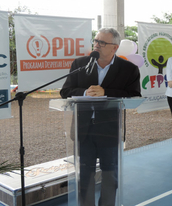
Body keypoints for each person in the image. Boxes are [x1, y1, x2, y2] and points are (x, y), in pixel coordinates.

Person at [60, 27, 141, 206]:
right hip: (83, 129)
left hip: (110, 130)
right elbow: (65, 91)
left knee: (110, 174)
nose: (96, 45)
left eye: (102, 42)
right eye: (95, 41)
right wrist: (84, 92)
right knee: (85, 174)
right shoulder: (80, 64)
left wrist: (107, 92)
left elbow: (134, 96)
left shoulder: (129, 69)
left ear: (115, 47)